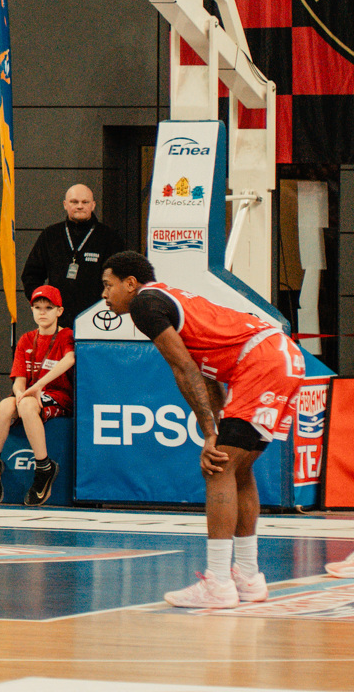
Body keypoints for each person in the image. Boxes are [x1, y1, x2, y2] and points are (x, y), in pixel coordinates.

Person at [101, 251, 306, 608]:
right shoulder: (169, 299)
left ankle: (218, 582)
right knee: (238, 469)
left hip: (260, 361)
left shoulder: (144, 305)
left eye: (108, 285)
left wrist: (209, 433)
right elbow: (204, 372)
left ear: (130, 283)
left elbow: (184, 369)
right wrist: (217, 423)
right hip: (282, 357)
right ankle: (248, 577)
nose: (104, 294)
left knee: (217, 467)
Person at [0, 285, 75, 506]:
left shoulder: (66, 335)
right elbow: (19, 381)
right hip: (31, 396)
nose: (42, 312)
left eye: (48, 308)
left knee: (26, 406)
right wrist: (20, 394)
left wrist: (39, 386)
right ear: (32, 310)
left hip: (58, 396)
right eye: (37, 307)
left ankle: (44, 467)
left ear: (59, 311)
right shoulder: (26, 339)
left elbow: (70, 359)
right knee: (5, 406)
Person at [22, 184, 124, 320]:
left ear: (93, 205)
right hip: (57, 320)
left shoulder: (109, 238)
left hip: (97, 318)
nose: (80, 206)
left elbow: (120, 279)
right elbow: (31, 275)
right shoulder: (50, 235)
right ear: (65, 204)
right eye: (74, 202)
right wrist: (42, 304)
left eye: (85, 202)